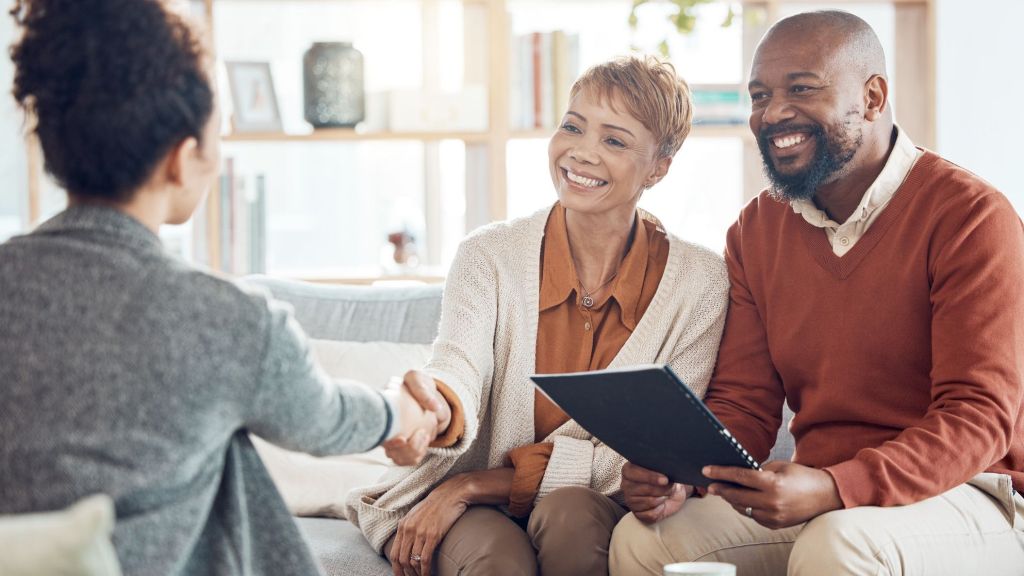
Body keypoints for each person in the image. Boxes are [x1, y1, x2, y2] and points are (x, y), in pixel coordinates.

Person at [0, 1, 446, 574]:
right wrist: (400, 415)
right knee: (228, 447)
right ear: (183, 160)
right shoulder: (225, 319)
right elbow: (326, 419)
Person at [610, 10, 1024, 576]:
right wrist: (682, 470)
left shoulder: (971, 217)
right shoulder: (756, 232)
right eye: (760, 96)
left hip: (978, 494)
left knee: (837, 544)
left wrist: (837, 486)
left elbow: (978, 417)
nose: (773, 113)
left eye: (801, 89)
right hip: (823, 498)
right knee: (645, 540)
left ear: (873, 97)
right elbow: (746, 404)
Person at [345, 55, 730, 576]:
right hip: (474, 508)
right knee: (500, 562)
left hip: (577, 504)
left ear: (659, 166)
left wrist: (476, 483)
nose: (581, 152)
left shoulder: (700, 284)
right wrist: (437, 410)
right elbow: (458, 365)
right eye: (573, 126)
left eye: (614, 141)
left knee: (571, 517)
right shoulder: (488, 255)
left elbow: (641, 457)